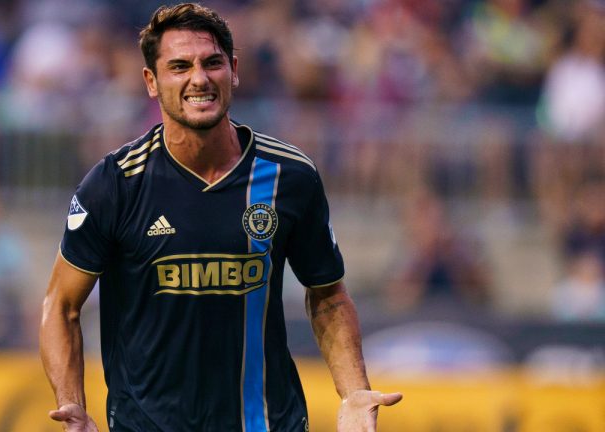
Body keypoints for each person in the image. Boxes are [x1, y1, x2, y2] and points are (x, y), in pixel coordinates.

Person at [39, 4, 401, 431]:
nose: (199, 78)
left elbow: (328, 295)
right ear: (151, 82)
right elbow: (60, 306)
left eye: (212, 63)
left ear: (233, 70)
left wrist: (355, 392)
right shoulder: (115, 184)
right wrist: (73, 407)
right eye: (179, 66)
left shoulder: (290, 176)